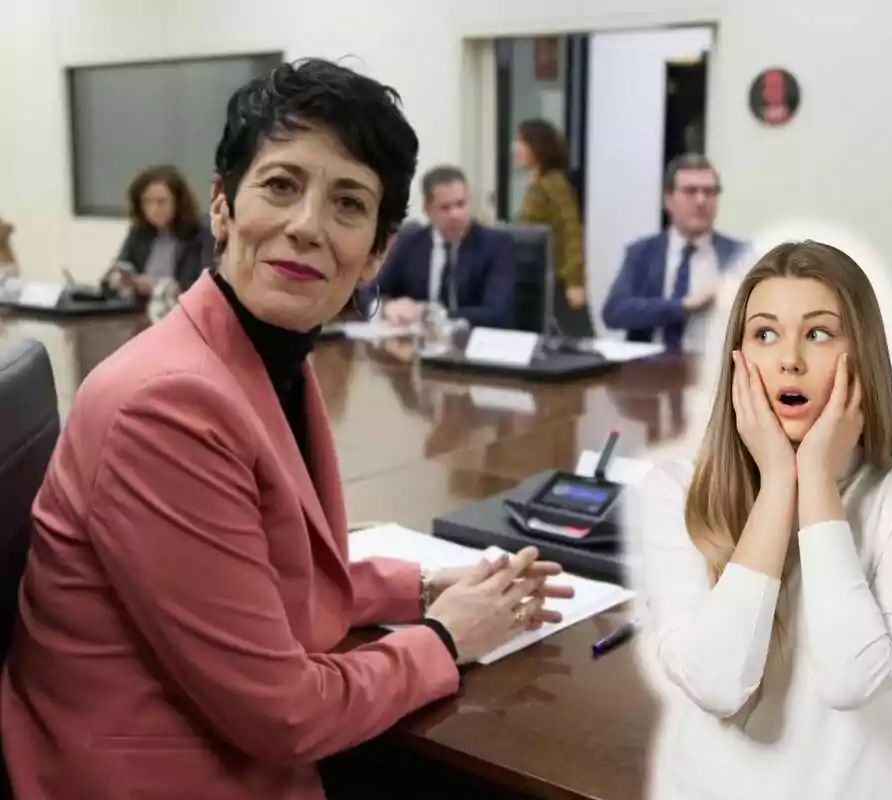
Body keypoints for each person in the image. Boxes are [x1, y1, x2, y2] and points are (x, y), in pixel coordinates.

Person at [1, 58, 573, 800]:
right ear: (221, 207)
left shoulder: (261, 352)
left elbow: (257, 570)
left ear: (375, 253)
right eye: (280, 186)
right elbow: (283, 714)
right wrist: (449, 638)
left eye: (347, 202)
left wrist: (426, 588)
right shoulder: (166, 403)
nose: (307, 227)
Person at [633, 241, 892, 799]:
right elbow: (718, 685)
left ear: (859, 353)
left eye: (818, 333)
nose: (789, 359)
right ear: (738, 358)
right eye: (764, 334)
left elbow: (851, 678)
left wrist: (814, 475)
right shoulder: (676, 490)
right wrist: (778, 484)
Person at [602, 154, 745, 350]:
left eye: (709, 192)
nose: (701, 201)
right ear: (668, 200)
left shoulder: (739, 255)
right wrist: (683, 305)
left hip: (714, 367)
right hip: (650, 367)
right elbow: (614, 312)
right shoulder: (643, 253)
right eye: (690, 191)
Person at [376, 165, 515, 329]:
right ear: (427, 210)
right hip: (418, 345)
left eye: (460, 204)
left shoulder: (496, 245)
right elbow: (370, 292)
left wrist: (430, 314)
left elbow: (496, 312)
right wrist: (387, 308)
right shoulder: (411, 242)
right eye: (445, 208)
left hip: (475, 344)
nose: (455, 214)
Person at [514, 118, 592, 336]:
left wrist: (575, 281)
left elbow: (572, 230)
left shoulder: (553, 184)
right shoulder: (537, 185)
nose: (515, 148)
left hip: (558, 282)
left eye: (522, 141)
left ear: (538, 147)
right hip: (542, 279)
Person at [106, 164, 215, 296]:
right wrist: (117, 278)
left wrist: (156, 285)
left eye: (161, 202)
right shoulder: (139, 231)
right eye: (147, 202)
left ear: (178, 202)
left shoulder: (201, 233)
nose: (154, 210)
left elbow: (205, 285)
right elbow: (120, 266)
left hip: (181, 309)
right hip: (139, 310)